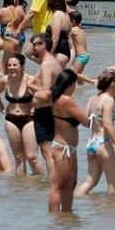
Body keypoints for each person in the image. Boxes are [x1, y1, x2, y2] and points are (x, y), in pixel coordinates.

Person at [38, 69, 89, 212]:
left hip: (68, 148)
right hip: (62, 148)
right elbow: (86, 121)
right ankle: (55, 218)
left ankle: (67, 215)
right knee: (58, 186)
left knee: (71, 183)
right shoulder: (66, 100)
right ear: (70, 84)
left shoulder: (55, 97)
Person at [75, 70, 115, 197]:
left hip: (91, 143)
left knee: (90, 181)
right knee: (113, 183)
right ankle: (112, 212)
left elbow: (86, 122)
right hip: (104, 143)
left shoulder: (93, 99)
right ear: (113, 84)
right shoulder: (108, 100)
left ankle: (72, 207)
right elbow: (108, 124)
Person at [0, 54, 41, 175]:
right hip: (11, 120)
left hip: (29, 120)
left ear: (22, 67)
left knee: (32, 157)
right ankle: (20, 188)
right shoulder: (4, 80)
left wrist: (36, 108)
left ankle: (41, 185)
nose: (11, 68)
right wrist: (2, 108)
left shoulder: (31, 80)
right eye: (9, 65)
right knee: (18, 158)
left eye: (14, 65)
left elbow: (43, 95)